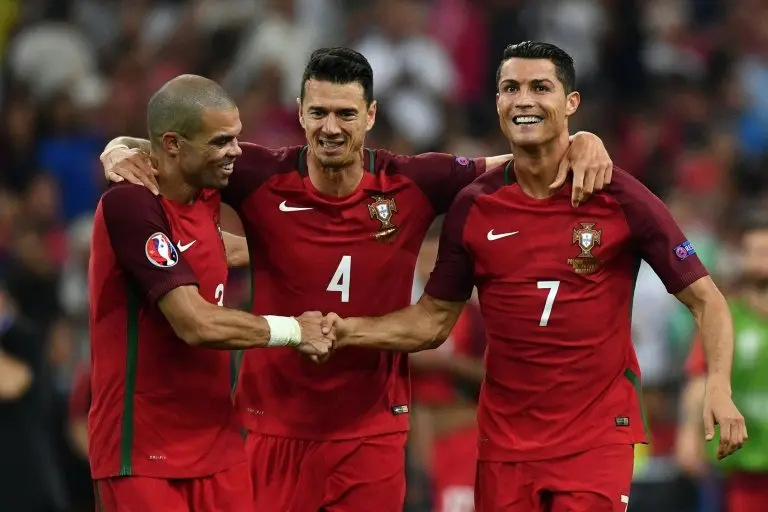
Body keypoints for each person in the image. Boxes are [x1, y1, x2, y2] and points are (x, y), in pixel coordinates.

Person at [100, 47, 613, 512]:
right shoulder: (256, 172)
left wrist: (583, 140)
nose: (331, 128)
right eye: (318, 112)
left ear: (370, 116)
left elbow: (522, 161)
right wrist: (120, 148)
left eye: (346, 113)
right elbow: (181, 147)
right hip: (269, 430)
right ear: (300, 112)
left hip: (372, 433)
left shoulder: (414, 180)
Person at [323, 42, 747, 512]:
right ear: (498, 102)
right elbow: (432, 322)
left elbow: (707, 299)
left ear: (571, 103)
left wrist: (718, 387)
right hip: (505, 444)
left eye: (540, 87)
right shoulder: (473, 206)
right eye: (511, 88)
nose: (523, 99)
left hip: (595, 438)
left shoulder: (620, 196)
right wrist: (350, 330)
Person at [88, 75, 332, 512]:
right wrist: (295, 331)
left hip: (217, 446)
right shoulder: (131, 204)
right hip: (142, 453)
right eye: (222, 141)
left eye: (236, 138)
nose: (236, 152)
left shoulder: (205, 191)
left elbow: (217, 248)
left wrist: (316, 255)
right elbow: (195, 323)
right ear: (174, 146)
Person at [676, 213, 768, 512]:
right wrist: (688, 434)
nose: (760, 261)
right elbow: (700, 378)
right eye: (753, 252)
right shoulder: (724, 317)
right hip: (739, 465)